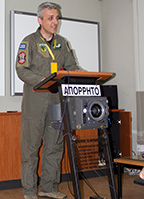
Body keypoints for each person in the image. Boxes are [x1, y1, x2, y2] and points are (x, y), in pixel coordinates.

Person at [16, 2, 81, 199]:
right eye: (51, 18)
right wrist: (44, 81)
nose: (55, 22)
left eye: (57, 18)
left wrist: (85, 75)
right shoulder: (29, 42)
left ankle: (49, 188)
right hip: (34, 102)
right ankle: (29, 191)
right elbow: (21, 70)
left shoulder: (63, 43)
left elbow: (72, 67)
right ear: (40, 20)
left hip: (56, 102)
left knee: (54, 146)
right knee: (30, 149)